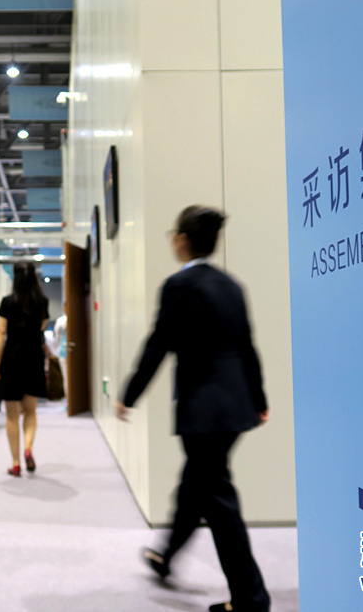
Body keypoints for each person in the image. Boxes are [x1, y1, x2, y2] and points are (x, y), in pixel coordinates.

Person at [115, 205, 270, 612]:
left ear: (182, 240)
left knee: (218, 500)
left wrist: (129, 394)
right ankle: (165, 555)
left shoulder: (179, 285)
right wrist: (259, 400)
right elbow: (248, 346)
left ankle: (251, 600)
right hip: (235, 408)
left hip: (204, 413)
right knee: (196, 484)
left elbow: (158, 344)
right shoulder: (232, 285)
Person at [0, 262, 49, 476]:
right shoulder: (42, 301)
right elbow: (42, 327)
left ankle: (16, 463)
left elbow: (0, 332)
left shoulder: (8, 302)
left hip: (12, 359)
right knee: (30, 411)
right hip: (34, 358)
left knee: (12, 415)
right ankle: (28, 449)